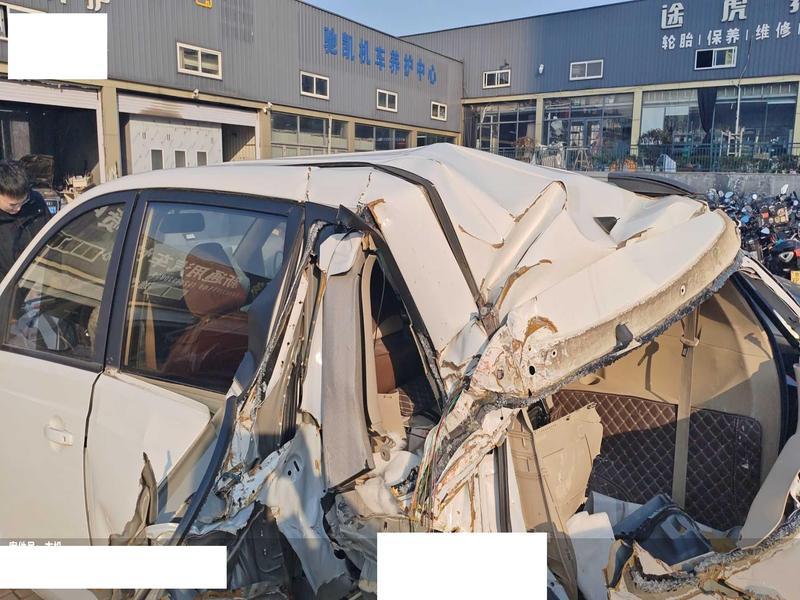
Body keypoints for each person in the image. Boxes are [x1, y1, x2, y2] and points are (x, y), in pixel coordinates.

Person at [0, 160, 51, 281]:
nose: (19, 208)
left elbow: (52, 237)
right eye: (13, 205)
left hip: (39, 278)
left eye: (23, 201)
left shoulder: (35, 202)